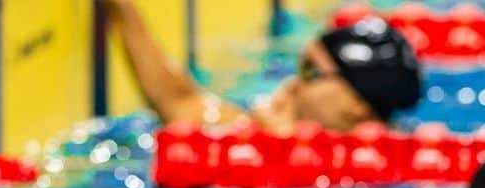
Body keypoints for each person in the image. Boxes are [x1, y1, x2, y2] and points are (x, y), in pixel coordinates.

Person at [106, 0, 422, 133]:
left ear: (357, 104)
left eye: (311, 73)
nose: (292, 85)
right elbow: (179, 101)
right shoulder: (271, 128)